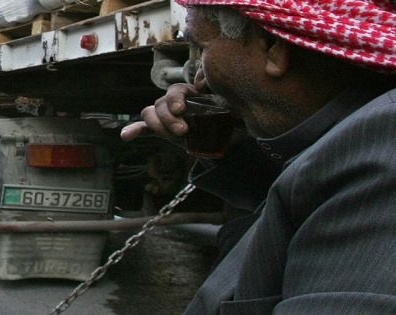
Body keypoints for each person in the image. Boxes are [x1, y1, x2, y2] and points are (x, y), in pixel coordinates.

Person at [121, 0, 396, 314]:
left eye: (203, 49)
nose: (199, 81)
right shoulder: (353, 142)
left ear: (273, 47)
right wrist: (235, 148)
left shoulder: (382, 147)